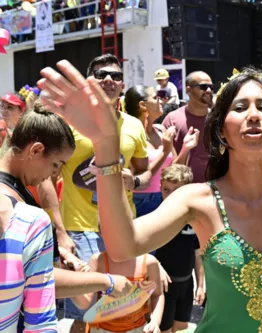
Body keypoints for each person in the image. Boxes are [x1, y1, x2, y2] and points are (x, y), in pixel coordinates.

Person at [38, 63, 262, 333]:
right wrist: (105, 146)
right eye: (239, 107)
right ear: (221, 129)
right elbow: (122, 247)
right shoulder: (196, 200)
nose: (253, 116)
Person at [38, 54, 151, 333]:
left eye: (115, 75)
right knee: (87, 311)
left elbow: (146, 174)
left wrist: (133, 182)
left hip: (123, 231)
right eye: (101, 75)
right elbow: (45, 179)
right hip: (80, 230)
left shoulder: (134, 126)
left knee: (122, 307)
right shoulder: (70, 123)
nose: (109, 80)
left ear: (123, 85)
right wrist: (61, 233)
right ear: (89, 83)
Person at [0, 103, 75, 332]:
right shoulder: (26, 216)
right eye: (55, 165)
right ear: (35, 150)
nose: (55, 174)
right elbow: (39, 315)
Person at [156, 164, 205, 333]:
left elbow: (197, 252)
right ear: (160, 187)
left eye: (175, 191)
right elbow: (145, 252)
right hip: (164, 287)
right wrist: (155, 266)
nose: (169, 195)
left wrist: (200, 284)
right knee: (164, 329)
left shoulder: (193, 217)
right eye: (166, 190)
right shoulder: (156, 215)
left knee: (182, 327)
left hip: (186, 283)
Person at [72, 249, 164, 333]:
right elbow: (84, 303)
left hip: (136, 328)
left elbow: (157, 294)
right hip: (102, 329)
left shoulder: (149, 262)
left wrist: (155, 321)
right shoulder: (98, 260)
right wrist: (75, 278)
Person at [124, 85, 176, 217]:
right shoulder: (129, 135)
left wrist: (187, 147)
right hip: (140, 200)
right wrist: (164, 152)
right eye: (155, 97)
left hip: (164, 197)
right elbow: (139, 176)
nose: (161, 100)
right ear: (143, 105)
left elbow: (174, 166)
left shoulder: (161, 130)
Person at [162, 71, 212, 183]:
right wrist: (185, 149)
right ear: (189, 90)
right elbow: (168, 168)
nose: (209, 90)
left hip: (215, 190)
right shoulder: (171, 120)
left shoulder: (219, 119)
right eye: (203, 87)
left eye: (211, 87)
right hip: (183, 190)